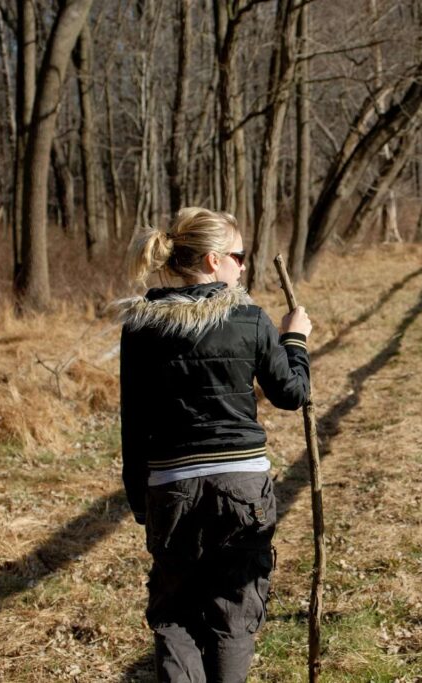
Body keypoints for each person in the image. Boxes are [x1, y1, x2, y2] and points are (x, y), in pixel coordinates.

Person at [114, 207, 312, 683]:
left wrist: (142, 501)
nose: (244, 267)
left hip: (171, 487)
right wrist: (296, 341)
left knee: (174, 616)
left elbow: (133, 421)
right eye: (239, 257)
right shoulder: (249, 319)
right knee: (233, 614)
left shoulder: (141, 327)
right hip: (241, 487)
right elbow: (291, 394)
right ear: (212, 260)